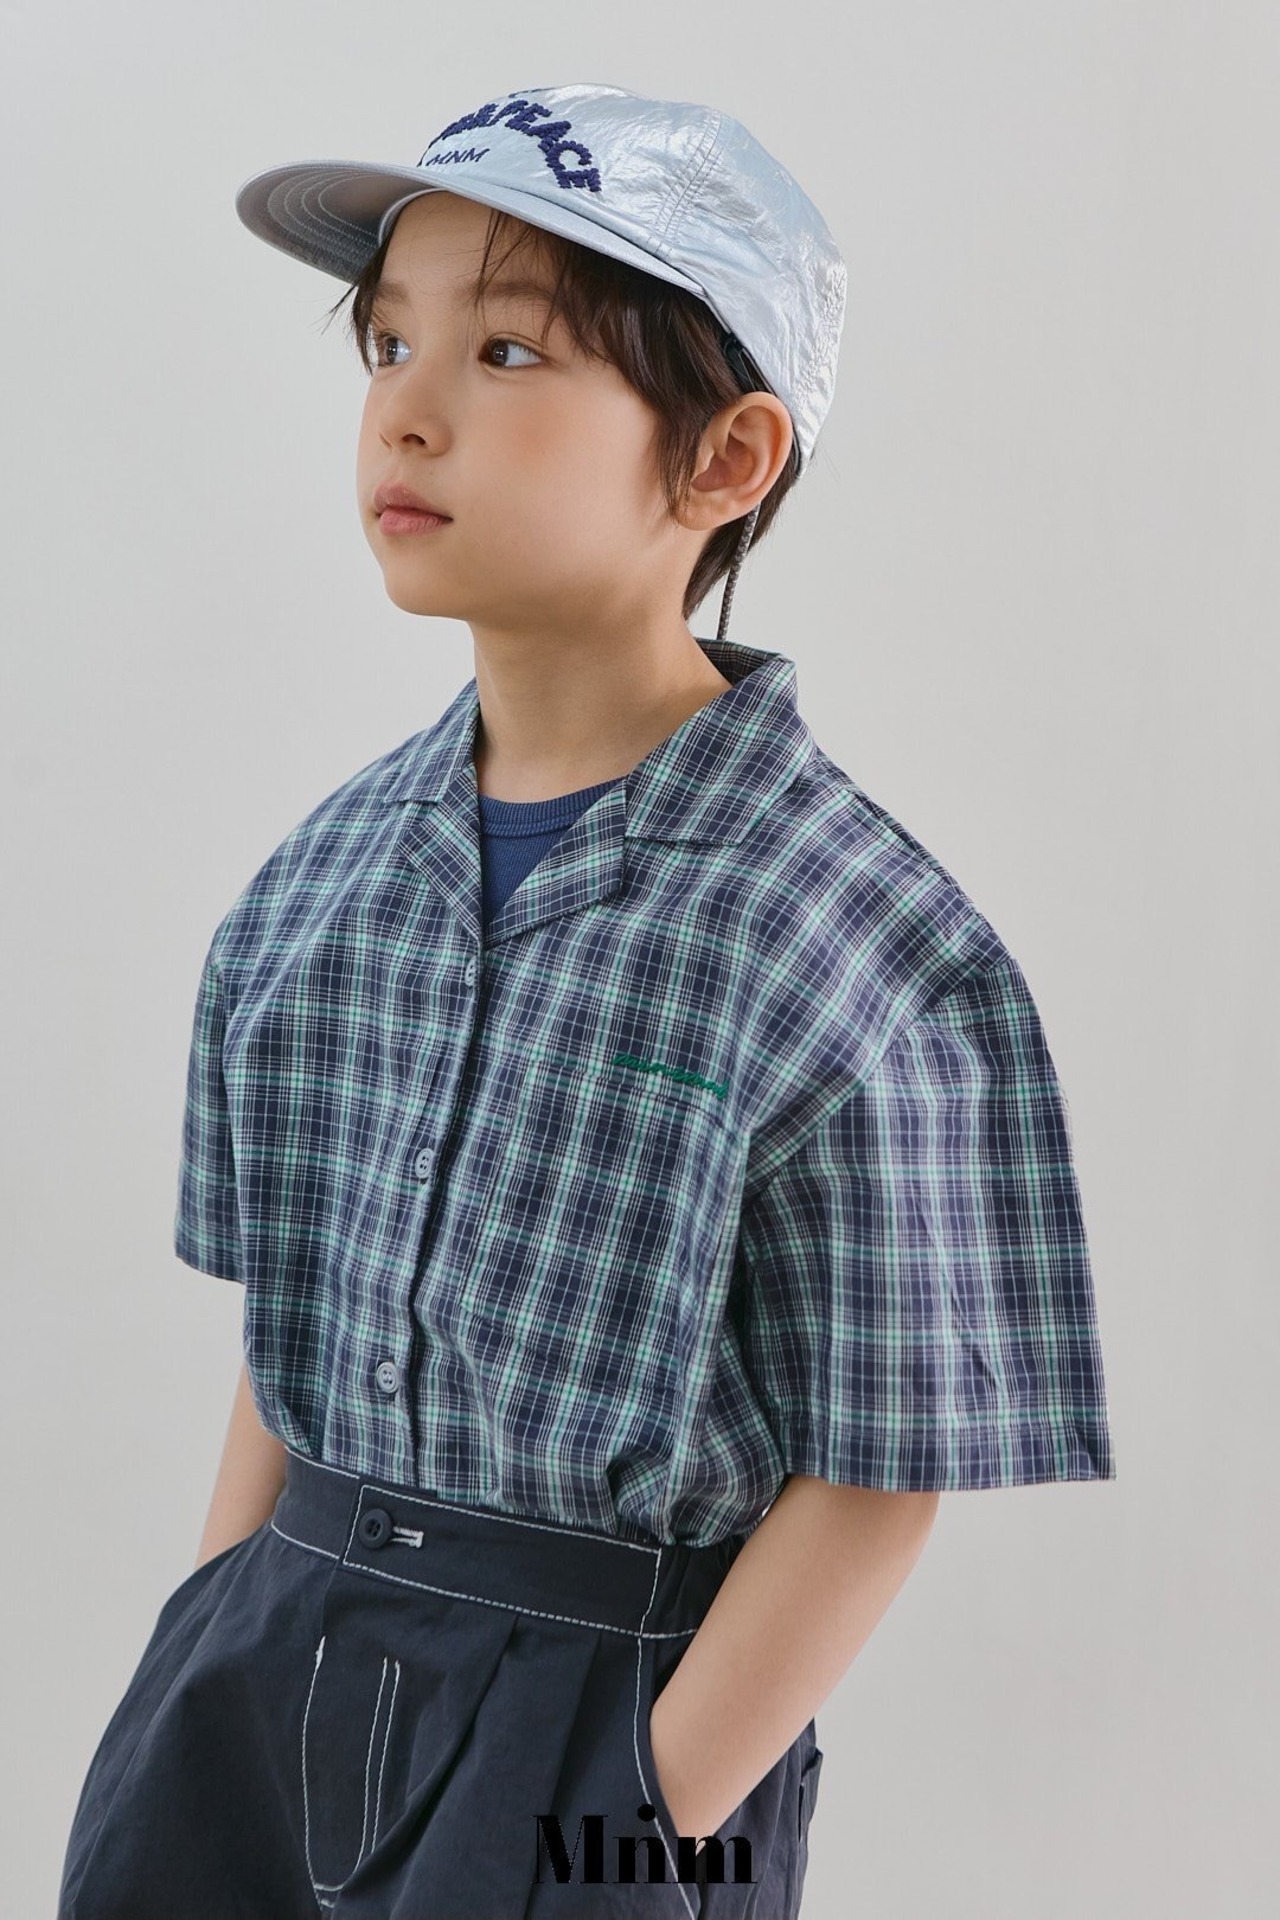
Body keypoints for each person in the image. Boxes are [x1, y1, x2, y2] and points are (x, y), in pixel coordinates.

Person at [57, 81, 1116, 1920]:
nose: (408, 406)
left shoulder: (851, 940)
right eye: (387, 341)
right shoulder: (318, 886)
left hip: (604, 1709)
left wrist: (637, 1822)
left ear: (725, 459)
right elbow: (287, 1333)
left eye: (508, 350)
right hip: (265, 1661)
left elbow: (878, 1475)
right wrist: (200, 1649)